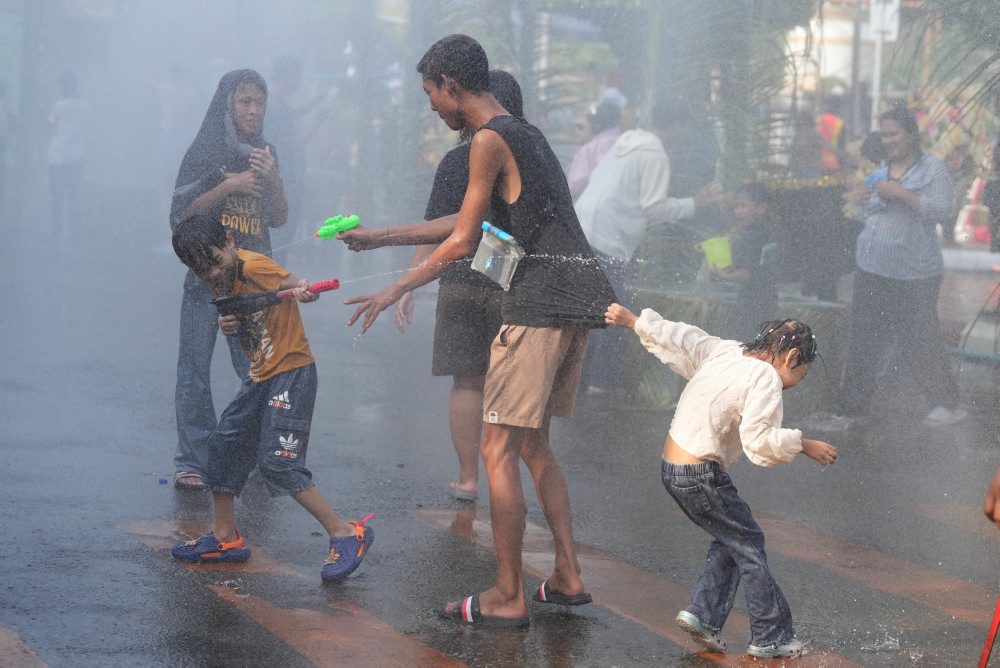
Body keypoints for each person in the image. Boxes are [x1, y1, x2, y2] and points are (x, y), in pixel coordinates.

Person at [338, 34, 616, 626]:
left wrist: (395, 289)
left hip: (537, 307)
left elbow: (464, 240)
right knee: (534, 444)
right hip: (576, 299)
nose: (432, 107)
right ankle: (566, 575)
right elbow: (470, 221)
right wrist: (380, 237)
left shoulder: (487, 140)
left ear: (451, 85)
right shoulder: (524, 132)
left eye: (430, 94)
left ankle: (509, 595)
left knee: (497, 448)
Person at [604, 304, 837, 659]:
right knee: (750, 544)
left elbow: (684, 338)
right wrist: (804, 445)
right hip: (699, 475)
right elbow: (758, 442)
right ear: (791, 357)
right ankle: (770, 637)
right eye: (802, 375)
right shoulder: (766, 379)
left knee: (734, 537)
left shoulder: (726, 350)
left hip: (673, 468)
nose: (797, 383)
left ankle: (702, 615)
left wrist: (636, 322)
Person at [169, 213, 374, 582]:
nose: (212, 274)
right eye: (202, 271)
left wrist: (304, 290)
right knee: (223, 447)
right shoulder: (220, 276)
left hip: (291, 373)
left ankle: (346, 533)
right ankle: (225, 538)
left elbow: (300, 288)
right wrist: (227, 323)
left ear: (229, 241)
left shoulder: (255, 265)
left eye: (215, 263)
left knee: (279, 462)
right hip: (261, 375)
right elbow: (237, 318)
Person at [393, 69, 523, 502]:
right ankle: (505, 475)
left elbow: (433, 228)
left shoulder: (457, 159)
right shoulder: (529, 154)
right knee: (512, 384)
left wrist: (408, 283)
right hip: (514, 286)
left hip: (464, 280)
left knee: (468, 382)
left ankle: (469, 477)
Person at [170, 69, 289, 490]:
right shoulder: (205, 151)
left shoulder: (265, 151)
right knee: (195, 370)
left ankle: (251, 451)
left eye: (259, 103)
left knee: (257, 368)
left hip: (252, 282)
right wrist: (230, 185)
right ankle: (193, 459)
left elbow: (278, 217)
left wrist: (272, 178)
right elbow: (181, 215)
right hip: (206, 279)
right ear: (227, 105)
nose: (254, 111)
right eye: (245, 102)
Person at [573, 99, 720, 395]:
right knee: (612, 313)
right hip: (608, 239)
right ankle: (598, 386)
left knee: (588, 309)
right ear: (677, 126)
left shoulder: (626, 142)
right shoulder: (654, 155)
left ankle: (577, 380)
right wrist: (695, 203)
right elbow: (652, 209)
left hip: (584, 228)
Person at [838, 105, 966, 427]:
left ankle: (947, 405)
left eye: (894, 133)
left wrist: (901, 193)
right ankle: (851, 409)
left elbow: (942, 211)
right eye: (884, 134)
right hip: (871, 267)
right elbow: (874, 214)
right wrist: (865, 199)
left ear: (911, 134)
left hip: (914, 272)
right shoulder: (881, 168)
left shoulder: (931, 170)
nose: (889, 140)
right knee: (864, 339)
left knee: (920, 338)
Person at [715, 183, 779, 341]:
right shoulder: (767, 231)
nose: (738, 211)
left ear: (761, 208)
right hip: (768, 297)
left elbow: (748, 274)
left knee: (745, 340)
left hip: (752, 301)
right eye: (736, 207)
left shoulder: (753, 236)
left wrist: (724, 275)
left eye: (743, 206)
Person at [47, 71, 88, 238]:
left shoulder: (58, 106)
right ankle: (73, 232)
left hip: (58, 155)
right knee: (73, 195)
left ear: (64, 86)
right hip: (78, 155)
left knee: (57, 195)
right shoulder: (85, 105)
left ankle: (56, 232)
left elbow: (51, 128)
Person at [565, 100, 621, 199]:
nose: (576, 131)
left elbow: (574, 186)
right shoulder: (624, 142)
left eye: (580, 127)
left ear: (593, 125)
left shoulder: (589, 150)